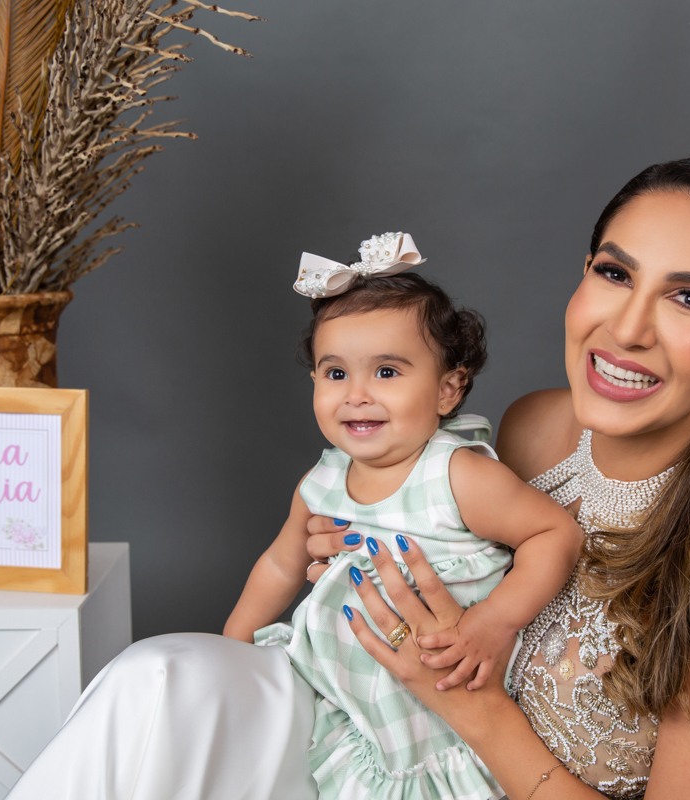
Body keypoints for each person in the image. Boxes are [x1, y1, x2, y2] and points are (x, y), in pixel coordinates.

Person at [7, 155, 690, 800]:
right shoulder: (536, 430)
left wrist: (472, 704)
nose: (628, 328)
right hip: (365, 741)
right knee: (157, 682)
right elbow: (421, 508)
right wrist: (348, 542)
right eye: (614, 273)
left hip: (456, 767)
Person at [222, 234, 583, 799]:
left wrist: (495, 621)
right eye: (336, 374)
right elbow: (279, 565)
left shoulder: (456, 474)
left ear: (447, 390)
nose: (357, 395)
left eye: (386, 372)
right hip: (357, 704)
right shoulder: (321, 481)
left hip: (450, 712)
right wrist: (230, 650)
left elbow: (554, 532)